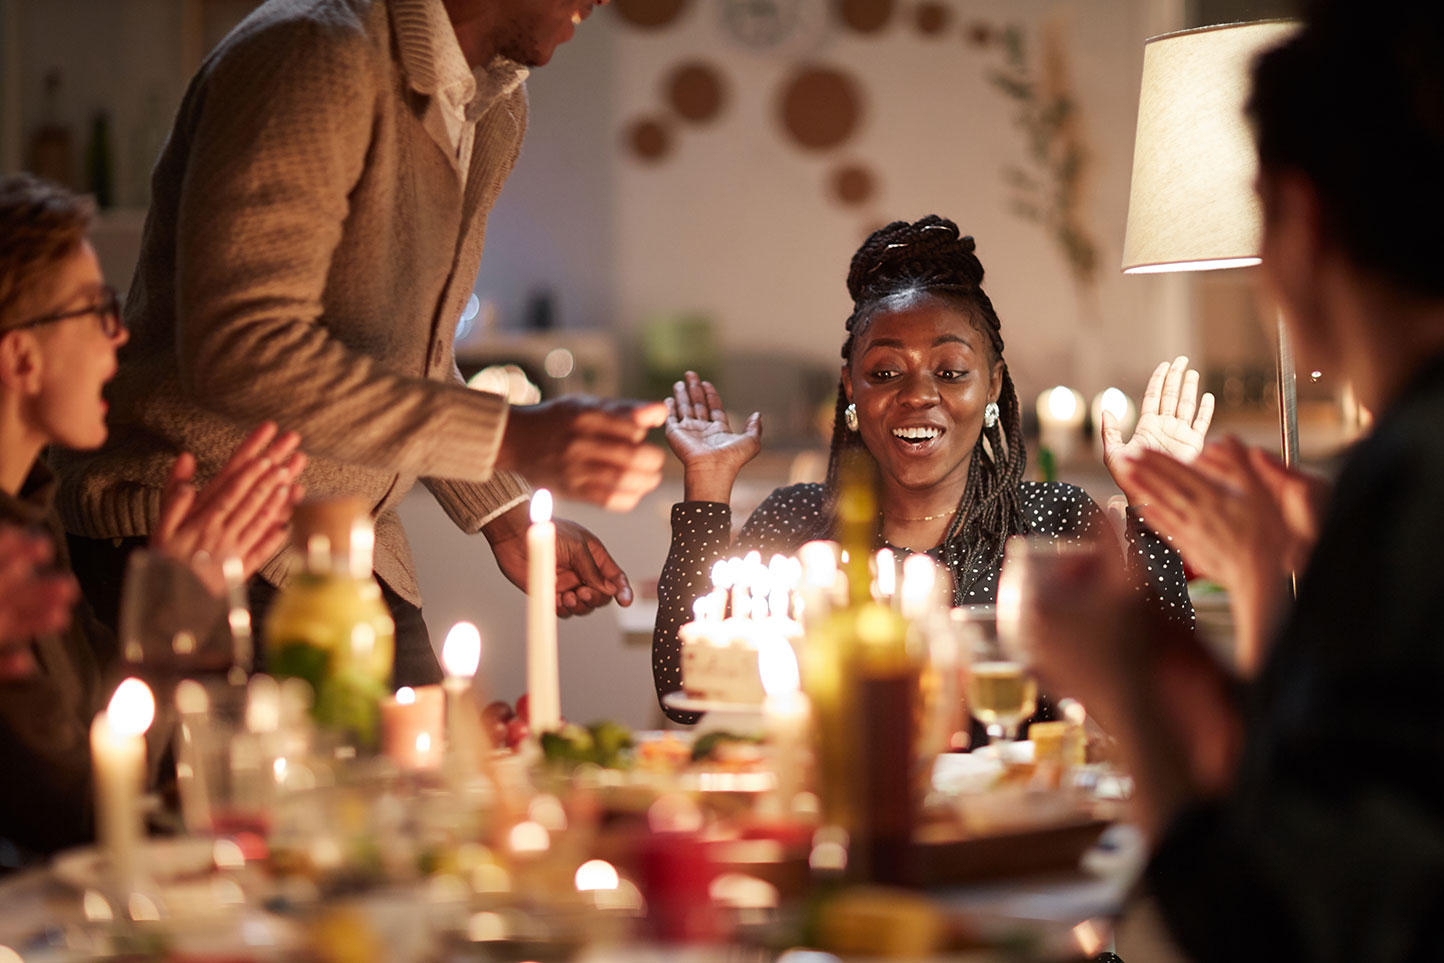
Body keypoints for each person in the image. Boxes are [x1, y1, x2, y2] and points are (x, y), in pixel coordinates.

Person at [50, 0, 667, 689]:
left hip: (348, 547)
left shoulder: (489, 107)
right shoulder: (313, 54)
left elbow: (413, 356)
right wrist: (509, 437)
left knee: (447, 782)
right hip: (199, 539)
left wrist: (504, 511)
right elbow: (243, 346)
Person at [1028, 3, 1444, 959]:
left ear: (1300, 220)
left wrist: (1127, 683)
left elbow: (1266, 925)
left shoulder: (1409, 485)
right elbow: (1327, 795)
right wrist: (1261, 588)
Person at [651, 215, 1211, 724]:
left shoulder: (1052, 525)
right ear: (851, 386)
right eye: (887, 372)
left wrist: (1152, 509)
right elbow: (684, 692)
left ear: (992, 384)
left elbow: (1159, 700)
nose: (919, 395)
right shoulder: (796, 521)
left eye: (950, 371)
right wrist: (707, 489)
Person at [0, 173, 302, 861]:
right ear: (21, 355)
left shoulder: (28, 514)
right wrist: (173, 622)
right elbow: (79, 816)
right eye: (96, 310)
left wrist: (176, 595)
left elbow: (96, 718)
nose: (119, 338)